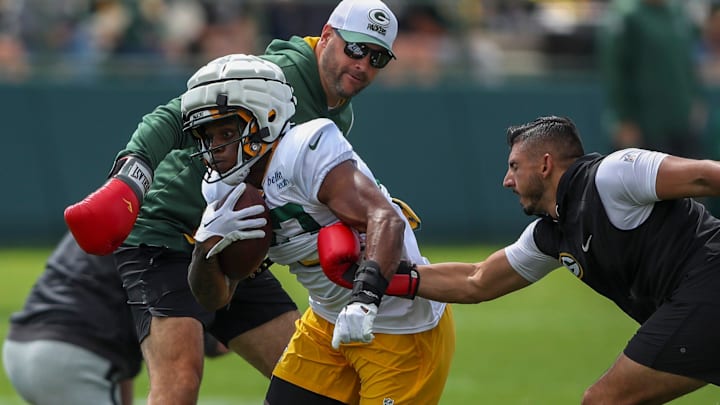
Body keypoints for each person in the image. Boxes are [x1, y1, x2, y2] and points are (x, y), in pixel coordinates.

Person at [62, 0, 407, 403]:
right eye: (355, 48)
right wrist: (131, 178)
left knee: (317, 383)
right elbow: (176, 116)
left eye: (377, 56)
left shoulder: (337, 113)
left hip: (236, 241)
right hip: (169, 233)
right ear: (327, 36)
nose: (364, 64)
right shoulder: (278, 75)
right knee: (179, 383)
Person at [321, 115, 720, 403]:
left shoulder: (614, 175)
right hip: (694, 303)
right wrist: (379, 277)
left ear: (545, 164)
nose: (506, 180)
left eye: (514, 166)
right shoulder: (551, 233)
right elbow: (477, 280)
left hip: (708, 286)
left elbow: (706, 176)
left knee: (605, 401)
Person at [181, 54, 454, 404]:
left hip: (398, 322)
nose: (215, 149)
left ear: (268, 118)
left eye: (227, 132)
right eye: (207, 135)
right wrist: (204, 250)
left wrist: (365, 299)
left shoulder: (303, 150)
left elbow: (385, 218)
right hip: (326, 319)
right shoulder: (221, 191)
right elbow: (214, 298)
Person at [2, 232, 229, 405]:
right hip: (73, 358)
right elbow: (168, 321)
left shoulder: (118, 206)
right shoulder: (162, 229)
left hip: (20, 347)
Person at [598, 0, 706, 157]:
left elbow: (688, 64)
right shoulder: (626, 15)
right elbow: (614, 72)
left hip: (681, 122)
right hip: (645, 126)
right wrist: (623, 119)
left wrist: (695, 100)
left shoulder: (679, 12)